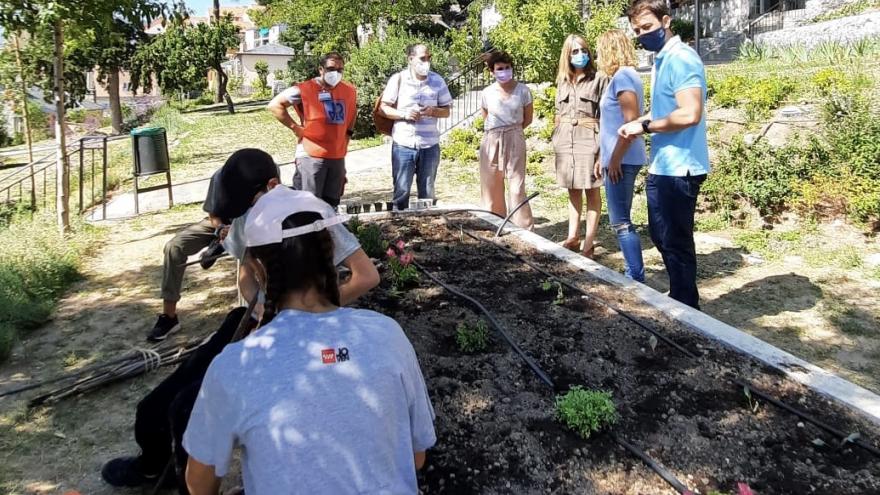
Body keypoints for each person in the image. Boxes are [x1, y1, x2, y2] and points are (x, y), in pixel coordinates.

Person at [101, 149, 380, 493]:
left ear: (273, 185)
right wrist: (262, 309)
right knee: (153, 408)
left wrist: (309, 308)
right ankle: (152, 464)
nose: (247, 213)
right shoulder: (248, 216)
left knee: (186, 409)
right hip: (253, 322)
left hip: (297, 331)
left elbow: (366, 276)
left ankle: (186, 474)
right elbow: (246, 279)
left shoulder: (310, 215)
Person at [183, 186, 436, 494]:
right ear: (331, 253)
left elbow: (199, 483)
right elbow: (416, 456)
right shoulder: (388, 334)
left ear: (260, 269)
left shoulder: (235, 366)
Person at [618, 0, 710, 309]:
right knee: (662, 236)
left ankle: (687, 308)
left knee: (675, 241)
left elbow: (690, 114)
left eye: (648, 27)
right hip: (665, 163)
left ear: (666, 21)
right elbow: (667, 112)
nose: (643, 34)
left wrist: (644, 126)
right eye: (637, 30)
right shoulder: (662, 59)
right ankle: (681, 298)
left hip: (681, 166)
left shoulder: (681, 59)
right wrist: (640, 122)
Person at [268, 52, 357, 207]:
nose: (335, 73)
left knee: (331, 204)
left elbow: (352, 112)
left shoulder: (348, 90)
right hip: (311, 155)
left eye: (340, 70)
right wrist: (295, 128)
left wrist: (348, 134)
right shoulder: (304, 89)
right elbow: (275, 105)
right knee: (308, 204)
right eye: (331, 69)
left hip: (337, 155)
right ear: (321, 69)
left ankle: (328, 231)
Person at [594, 29, 648, 282]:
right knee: (621, 219)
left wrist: (614, 159)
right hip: (617, 157)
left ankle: (634, 277)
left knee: (620, 222)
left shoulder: (624, 77)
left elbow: (631, 123)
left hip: (623, 160)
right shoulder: (622, 77)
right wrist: (603, 158)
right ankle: (633, 274)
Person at [552, 34, 608, 258]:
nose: (580, 55)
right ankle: (572, 237)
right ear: (567, 55)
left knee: (592, 190)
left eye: (583, 50)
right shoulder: (563, 80)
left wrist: (602, 151)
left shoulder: (600, 78)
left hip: (589, 137)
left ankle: (589, 243)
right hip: (565, 139)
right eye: (575, 52)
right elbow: (558, 112)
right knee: (572, 190)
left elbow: (607, 116)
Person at [379, 43, 453, 210]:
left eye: (428, 58)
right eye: (422, 59)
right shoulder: (398, 79)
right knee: (401, 191)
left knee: (427, 193)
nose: (426, 62)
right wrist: (405, 114)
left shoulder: (437, 80)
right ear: (411, 59)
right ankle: (400, 227)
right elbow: (384, 108)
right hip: (404, 144)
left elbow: (446, 111)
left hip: (430, 145)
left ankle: (428, 229)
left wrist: (434, 111)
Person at [478, 50, 535, 230]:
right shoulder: (487, 92)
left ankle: (524, 228)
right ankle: (495, 224)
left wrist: (513, 133)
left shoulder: (523, 91)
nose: (504, 71)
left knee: (517, 187)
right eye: (500, 68)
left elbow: (528, 118)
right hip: (492, 139)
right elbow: (485, 117)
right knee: (492, 185)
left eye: (507, 67)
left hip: (515, 136)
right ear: (492, 71)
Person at [148, 216, 227, 342]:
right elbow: (213, 211)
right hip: (220, 224)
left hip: (251, 221)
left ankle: (219, 245)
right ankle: (169, 317)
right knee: (174, 247)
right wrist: (220, 228)